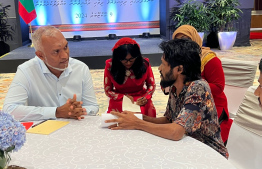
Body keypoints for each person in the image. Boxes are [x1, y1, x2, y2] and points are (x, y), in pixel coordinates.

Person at [105, 39, 229, 159]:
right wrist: (137, 118)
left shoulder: (198, 87)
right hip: (186, 147)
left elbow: (176, 131)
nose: (159, 68)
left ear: (179, 69)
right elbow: (169, 120)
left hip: (208, 154)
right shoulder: (175, 87)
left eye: (163, 64)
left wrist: (137, 123)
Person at [3, 26, 99, 121]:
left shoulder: (81, 68)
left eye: (66, 47)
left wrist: (77, 110)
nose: (65, 56)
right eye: (56, 51)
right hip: (42, 131)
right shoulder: (27, 71)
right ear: (40, 55)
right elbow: (9, 110)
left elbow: (93, 106)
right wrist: (56, 112)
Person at [169, 25, 232, 144]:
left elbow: (219, 87)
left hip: (212, 107)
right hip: (189, 105)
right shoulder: (178, 60)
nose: (182, 43)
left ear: (194, 39)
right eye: (178, 41)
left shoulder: (208, 58)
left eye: (186, 39)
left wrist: (190, 87)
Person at [104, 37, 156, 117]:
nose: (128, 63)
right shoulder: (110, 66)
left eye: (131, 60)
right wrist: (124, 97)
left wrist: (145, 97)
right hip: (120, 98)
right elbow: (108, 90)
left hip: (140, 97)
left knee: (144, 113)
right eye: (124, 60)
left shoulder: (144, 64)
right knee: (118, 117)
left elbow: (151, 85)